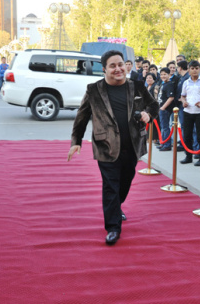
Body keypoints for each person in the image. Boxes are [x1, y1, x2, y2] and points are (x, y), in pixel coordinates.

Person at [67, 50, 158, 245]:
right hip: (105, 147)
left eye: (120, 64)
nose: (118, 69)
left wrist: (148, 114)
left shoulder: (138, 86)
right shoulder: (94, 90)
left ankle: (116, 207)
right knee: (110, 186)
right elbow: (82, 117)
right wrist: (76, 141)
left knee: (125, 182)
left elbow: (154, 105)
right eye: (112, 66)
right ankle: (113, 228)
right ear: (104, 69)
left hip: (133, 145)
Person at [180, 61, 200, 166]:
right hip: (188, 111)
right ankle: (188, 156)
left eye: (196, 68)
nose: (194, 70)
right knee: (187, 135)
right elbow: (183, 95)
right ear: (188, 70)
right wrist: (184, 102)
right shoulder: (186, 82)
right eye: (192, 68)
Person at [157, 67, 175, 151]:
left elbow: (171, 97)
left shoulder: (170, 84)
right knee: (163, 126)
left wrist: (163, 107)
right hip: (161, 108)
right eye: (161, 74)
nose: (163, 76)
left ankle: (167, 144)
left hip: (165, 109)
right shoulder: (163, 83)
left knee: (165, 127)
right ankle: (163, 143)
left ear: (169, 75)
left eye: (165, 74)